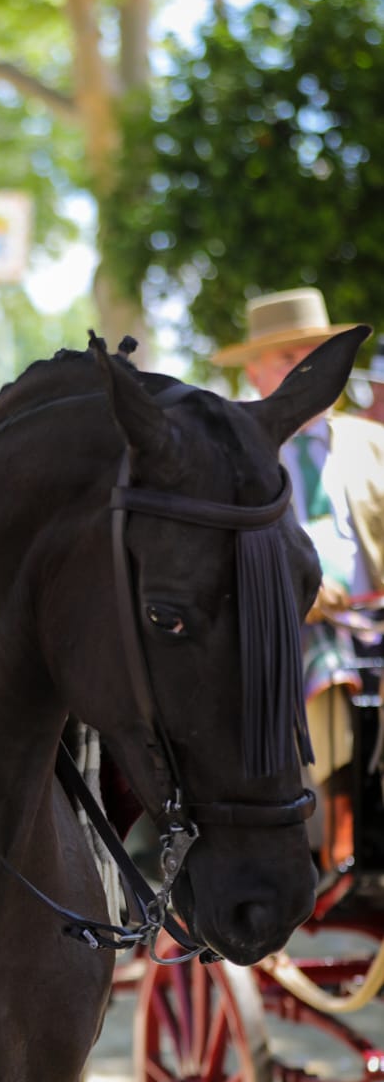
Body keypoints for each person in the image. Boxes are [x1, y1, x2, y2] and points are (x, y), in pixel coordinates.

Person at [214, 288, 384, 866]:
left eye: (315, 355)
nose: (306, 371)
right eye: (289, 359)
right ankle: (329, 837)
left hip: (371, 625)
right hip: (276, 630)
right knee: (327, 665)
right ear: (257, 371)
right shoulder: (227, 450)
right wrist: (296, 595)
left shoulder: (374, 444)